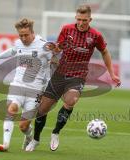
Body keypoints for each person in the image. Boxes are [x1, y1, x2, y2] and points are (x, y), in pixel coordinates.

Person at [26, 5, 121, 152]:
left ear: (90, 19)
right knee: (42, 110)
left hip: (78, 75)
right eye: (79, 19)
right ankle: (36, 139)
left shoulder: (96, 36)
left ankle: (56, 132)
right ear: (75, 18)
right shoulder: (66, 29)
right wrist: (55, 50)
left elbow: (105, 52)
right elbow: (59, 48)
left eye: (85, 20)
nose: (81, 23)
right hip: (60, 74)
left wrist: (112, 73)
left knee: (71, 101)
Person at [0, 18, 53, 152]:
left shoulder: (44, 46)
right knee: (12, 109)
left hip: (36, 90)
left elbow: (55, 61)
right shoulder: (18, 43)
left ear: (32, 32)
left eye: (26, 35)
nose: (23, 38)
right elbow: (11, 51)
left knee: (23, 126)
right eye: (20, 35)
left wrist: (51, 77)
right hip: (17, 85)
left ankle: (29, 136)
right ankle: (5, 144)